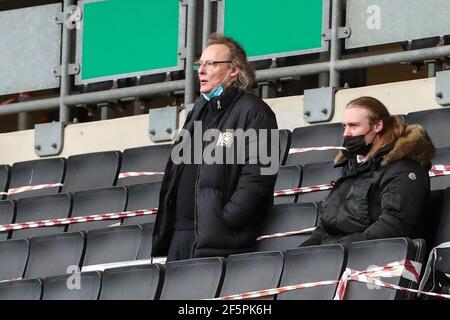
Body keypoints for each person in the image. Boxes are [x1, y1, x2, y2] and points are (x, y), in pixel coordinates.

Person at [152, 33, 278, 261]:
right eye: (200, 64)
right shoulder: (198, 111)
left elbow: (258, 179)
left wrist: (224, 221)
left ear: (234, 70)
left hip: (219, 241)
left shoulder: (255, 111)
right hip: (181, 238)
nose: (201, 71)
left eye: (211, 64)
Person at [301, 96, 435, 247]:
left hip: (375, 258)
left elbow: (394, 224)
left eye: (353, 126)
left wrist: (342, 248)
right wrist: (310, 246)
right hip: (337, 255)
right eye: (344, 126)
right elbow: (327, 223)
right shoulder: (352, 167)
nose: (346, 133)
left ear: (377, 126)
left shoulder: (404, 169)